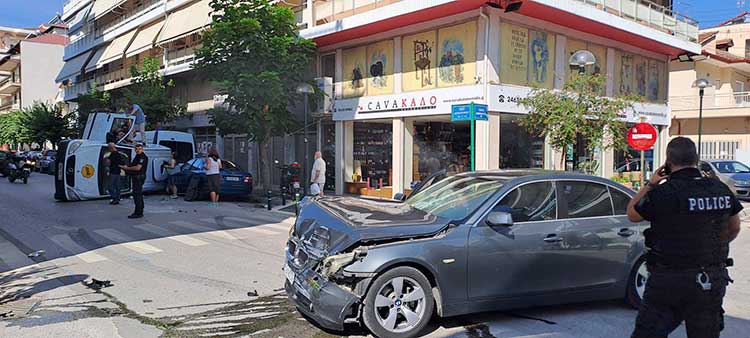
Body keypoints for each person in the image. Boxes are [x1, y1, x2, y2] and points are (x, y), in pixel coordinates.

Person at [627, 137, 742, 338]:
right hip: (709, 279)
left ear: (668, 163)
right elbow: (734, 228)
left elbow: (632, 214)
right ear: (696, 159)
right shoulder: (720, 189)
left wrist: (651, 184)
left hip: (668, 280)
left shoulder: (663, 193)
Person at [120, 143, 148, 219]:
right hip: (137, 177)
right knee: (138, 194)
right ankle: (139, 211)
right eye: (136, 149)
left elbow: (138, 168)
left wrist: (126, 168)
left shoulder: (142, 157)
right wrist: (126, 166)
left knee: (137, 195)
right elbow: (133, 165)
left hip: (138, 177)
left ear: (142, 149)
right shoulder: (138, 156)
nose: (138, 150)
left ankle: (138, 213)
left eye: (139, 149)